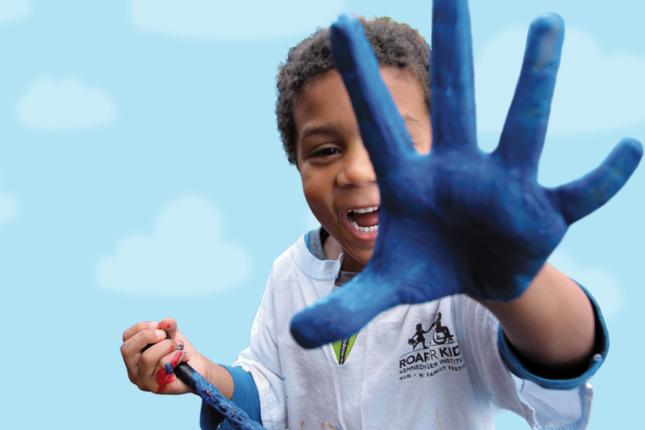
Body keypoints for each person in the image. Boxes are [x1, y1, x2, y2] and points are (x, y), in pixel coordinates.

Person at [120, 1, 642, 428]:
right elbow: (269, 389)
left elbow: (559, 357)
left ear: (444, 148)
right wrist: (198, 369)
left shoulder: (461, 277)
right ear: (295, 163)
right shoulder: (289, 274)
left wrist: (514, 282)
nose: (356, 171)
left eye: (391, 143)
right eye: (324, 151)